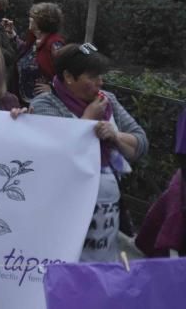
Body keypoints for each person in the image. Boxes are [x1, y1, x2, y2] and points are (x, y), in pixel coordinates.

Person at [30, 44, 147, 262]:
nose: (100, 83)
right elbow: (56, 156)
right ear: (68, 77)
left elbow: (140, 143)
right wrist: (88, 120)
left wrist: (115, 136)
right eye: (92, 77)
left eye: (100, 77)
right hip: (62, 210)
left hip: (105, 214)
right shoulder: (44, 105)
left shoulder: (107, 100)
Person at [16, 2, 65, 104]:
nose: (29, 19)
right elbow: (24, 53)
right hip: (23, 100)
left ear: (42, 21)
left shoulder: (55, 44)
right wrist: (13, 36)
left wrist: (53, 88)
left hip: (44, 103)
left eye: (33, 17)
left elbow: (66, 73)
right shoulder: (33, 39)